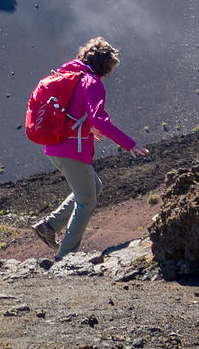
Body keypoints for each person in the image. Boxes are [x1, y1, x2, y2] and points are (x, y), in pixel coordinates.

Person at [32, 37, 149, 258]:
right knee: (86, 200)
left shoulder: (69, 75)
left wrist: (88, 129)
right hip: (71, 151)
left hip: (54, 147)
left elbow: (74, 112)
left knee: (94, 186)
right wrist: (129, 144)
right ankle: (66, 256)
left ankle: (49, 226)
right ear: (105, 66)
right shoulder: (92, 83)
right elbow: (99, 120)